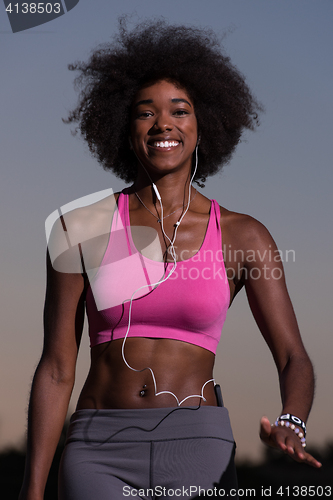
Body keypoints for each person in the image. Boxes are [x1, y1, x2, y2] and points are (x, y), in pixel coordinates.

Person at [19, 18, 321, 500]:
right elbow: (56, 369)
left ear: (203, 125)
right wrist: (32, 489)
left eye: (179, 111)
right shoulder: (82, 228)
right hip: (99, 452)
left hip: (198, 450)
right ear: (124, 125)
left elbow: (293, 357)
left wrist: (292, 422)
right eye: (145, 113)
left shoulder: (243, 236)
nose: (163, 124)